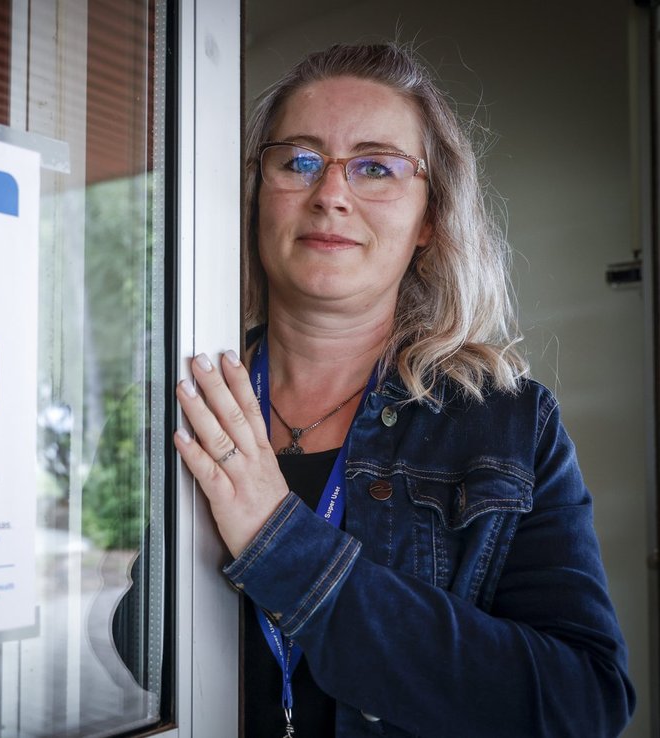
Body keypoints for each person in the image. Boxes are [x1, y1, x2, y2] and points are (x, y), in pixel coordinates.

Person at [172, 43, 635, 737]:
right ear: (255, 197)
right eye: (299, 160)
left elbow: (582, 705)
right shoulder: (190, 396)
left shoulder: (508, 422)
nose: (330, 193)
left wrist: (281, 543)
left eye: (376, 167)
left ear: (427, 220)